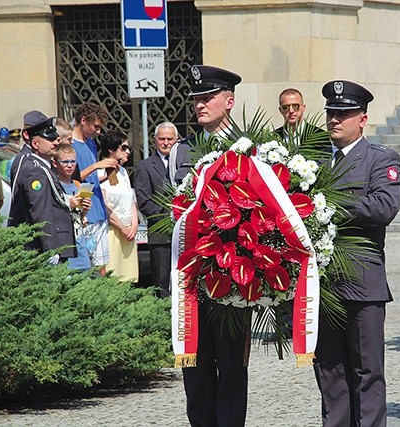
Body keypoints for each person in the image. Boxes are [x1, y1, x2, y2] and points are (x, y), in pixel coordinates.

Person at [313, 80, 400, 427]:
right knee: (330, 371)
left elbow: (383, 206)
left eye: (344, 114)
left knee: (367, 370)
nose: (335, 119)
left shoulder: (380, 159)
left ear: (362, 119)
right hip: (322, 284)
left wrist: (327, 205)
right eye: (331, 113)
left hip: (362, 281)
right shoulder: (313, 160)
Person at [177, 64, 249, 427]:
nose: (200, 104)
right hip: (192, 279)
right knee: (195, 364)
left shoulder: (249, 148)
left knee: (233, 365)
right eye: (196, 99)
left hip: (234, 277)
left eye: (208, 98)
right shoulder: (182, 150)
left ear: (230, 101)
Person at [7, 116, 76, 262]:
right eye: (50, 140)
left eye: (56, 138)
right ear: (35, 143)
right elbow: (41, 212)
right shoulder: (35, 170)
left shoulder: (43, 166)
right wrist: (50, 249)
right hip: (42, 247)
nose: (56, 142)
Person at [72, 102, 118, 275]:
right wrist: (97, 165)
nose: (98, 132)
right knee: (86, 268)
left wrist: (106, 175)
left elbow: (89, 179)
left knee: (102, 267)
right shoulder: (70, 145)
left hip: (98, 211)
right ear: (83, 120)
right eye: (96, 126)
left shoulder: (90, 143)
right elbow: (73, 179)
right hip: (85, 212)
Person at [134, 121, 177, 297]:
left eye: (170, 139)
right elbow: (144, 201)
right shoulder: (144, 167)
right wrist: (169, 216)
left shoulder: (185, 164)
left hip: (184, 235)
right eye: (162, 139)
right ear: (154, 140)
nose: (166, 143)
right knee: (162, 284)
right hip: (161, 235)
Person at [97, 129, 139, 282]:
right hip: (112, 233)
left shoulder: (123, 173)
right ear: (111, 150)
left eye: (128, 148)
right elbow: (103, 205)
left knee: (129, 279)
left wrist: (134, 224)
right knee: (113, 278)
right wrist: (122, 227)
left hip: (128, 233)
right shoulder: (99, 172)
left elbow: (131, 200)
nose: (128, 151)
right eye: (123, 148)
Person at [53, 143, 92, 272]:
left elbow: (81, 219)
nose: (70, 165)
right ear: (55, 163)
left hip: (81, 250)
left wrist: (85, 210)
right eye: (65, 162)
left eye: (73, 162)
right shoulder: (54, 185)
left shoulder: (76, 185)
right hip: (66, 252)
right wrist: (69, 205)